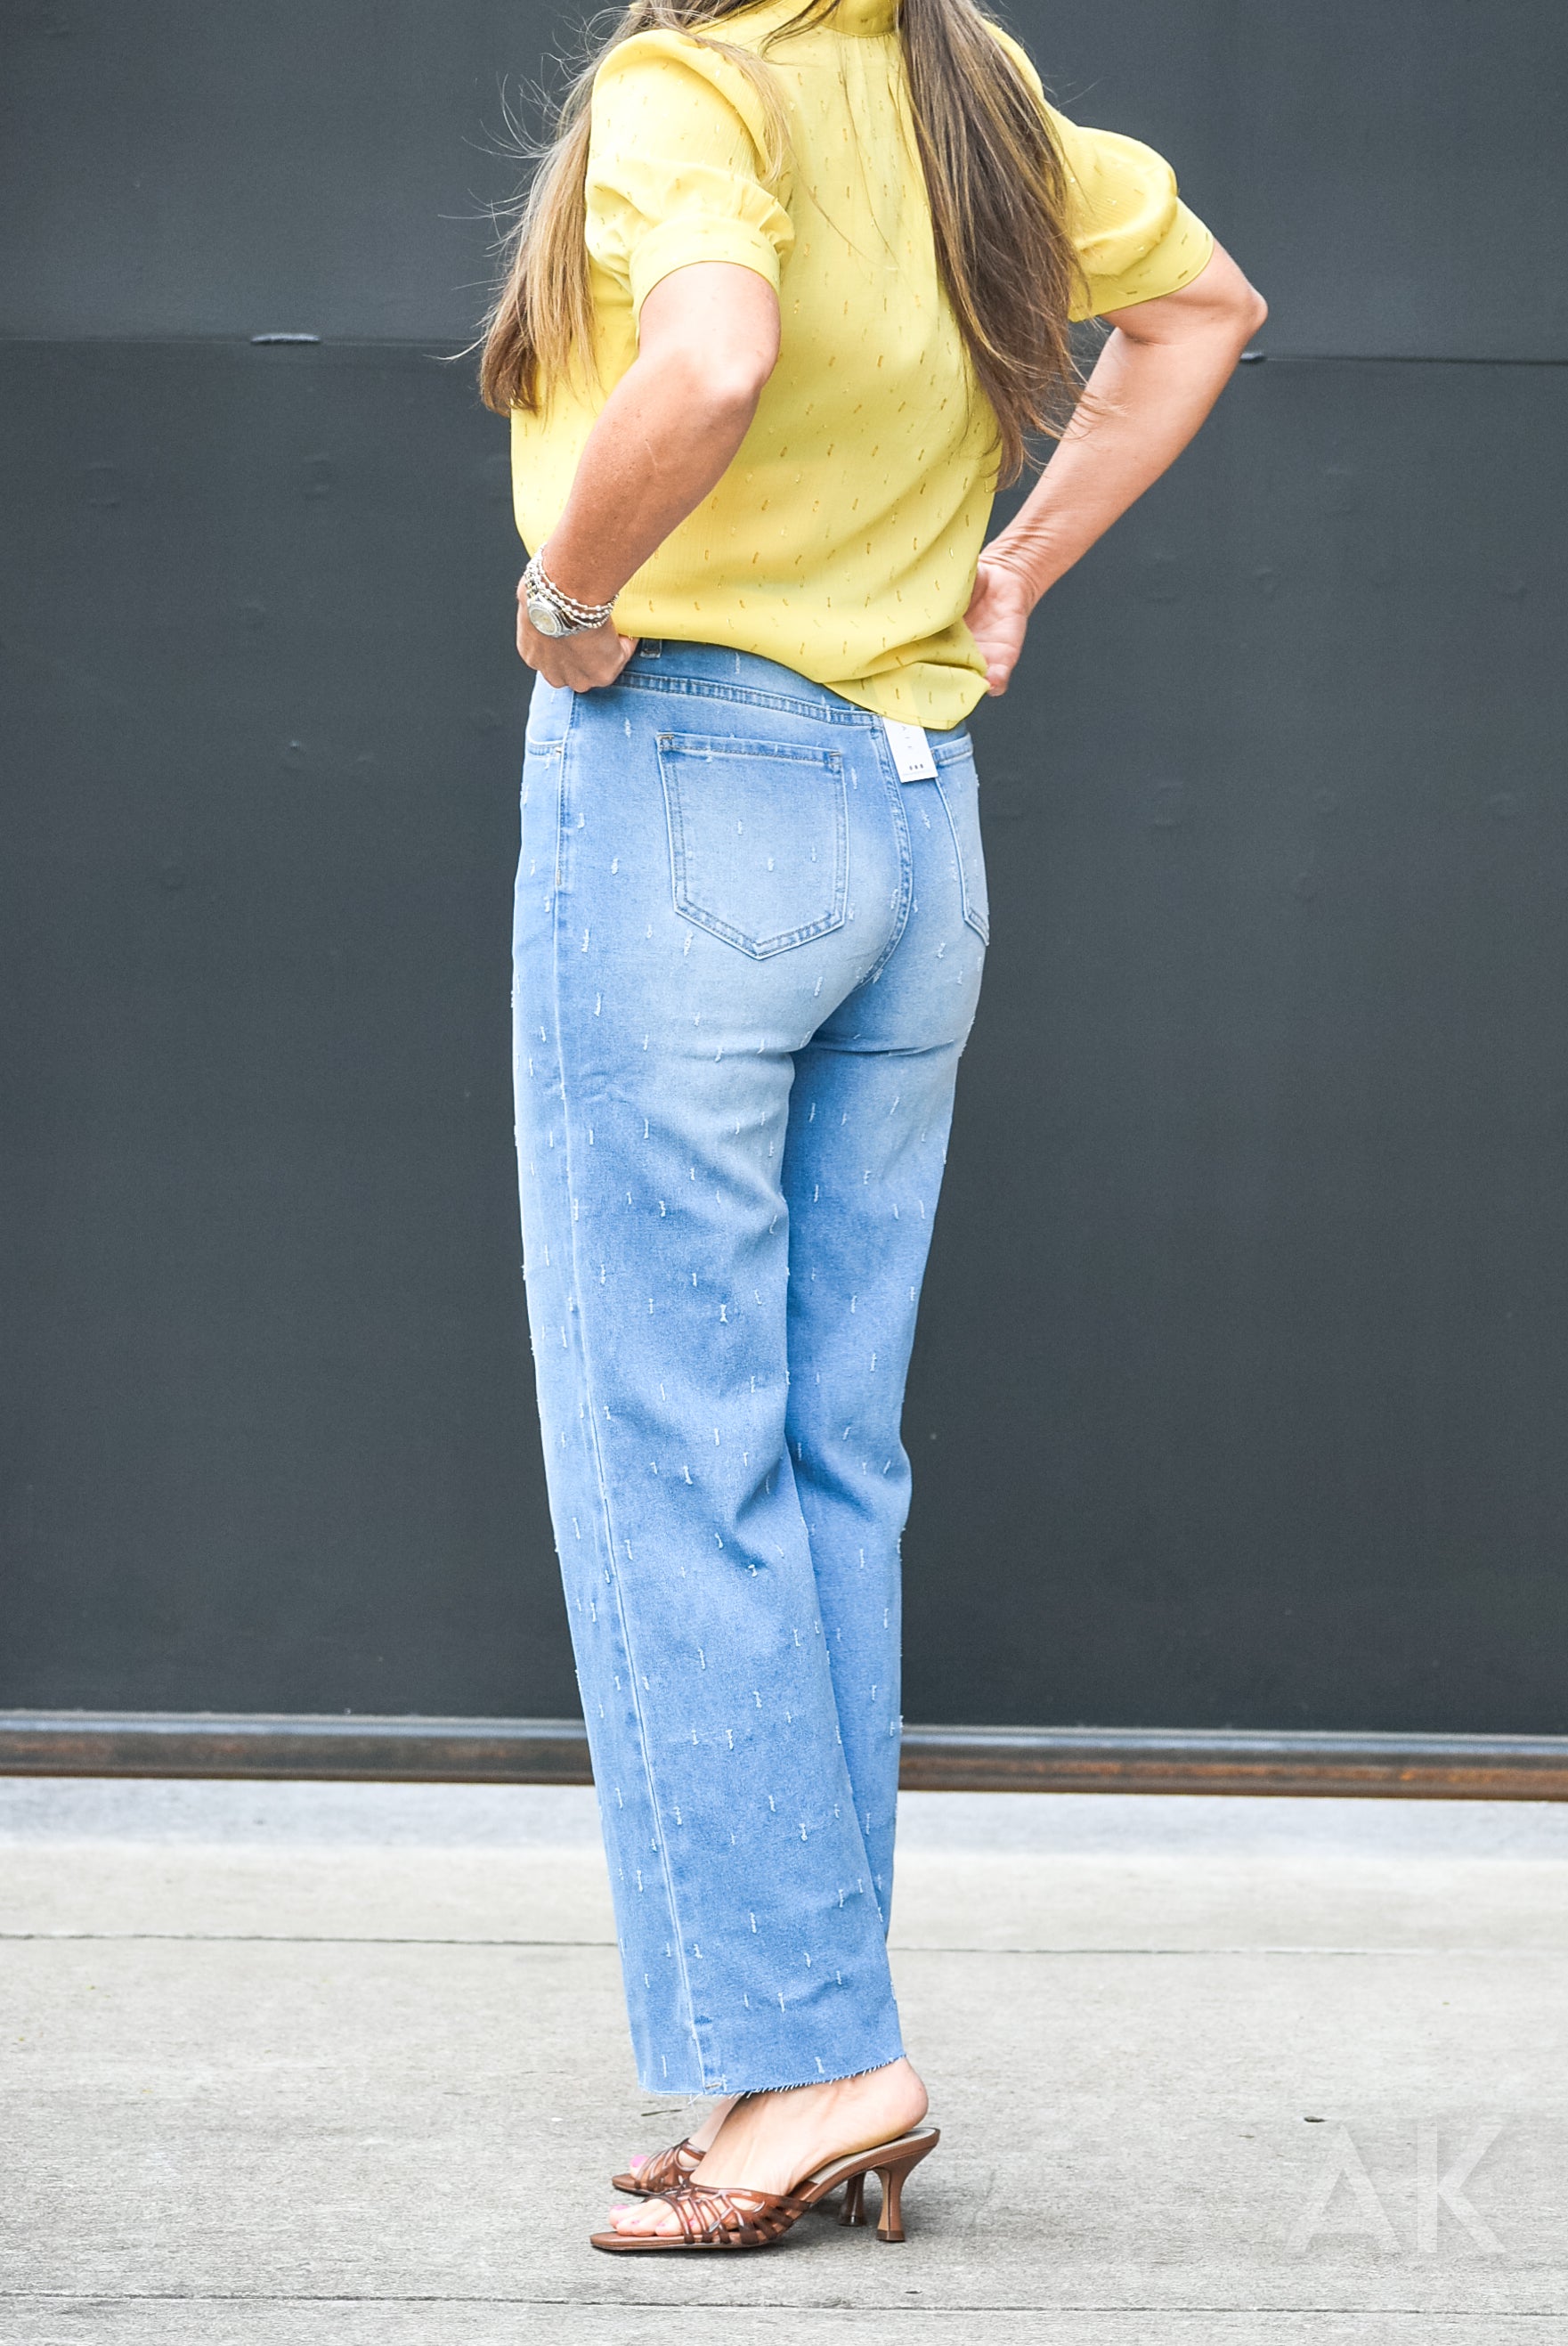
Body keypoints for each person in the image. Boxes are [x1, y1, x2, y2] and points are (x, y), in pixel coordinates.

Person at [482, 0, 1263, 2255]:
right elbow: (1200, 306)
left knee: (670, 1448)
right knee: (824, 1455)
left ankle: (815, 2056)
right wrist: (1014, 563)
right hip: (913, 824)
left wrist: (568, 597)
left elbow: (712, 353)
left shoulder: (688, 91)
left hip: (687, 781)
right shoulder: (964, 79)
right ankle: (805, 2046)